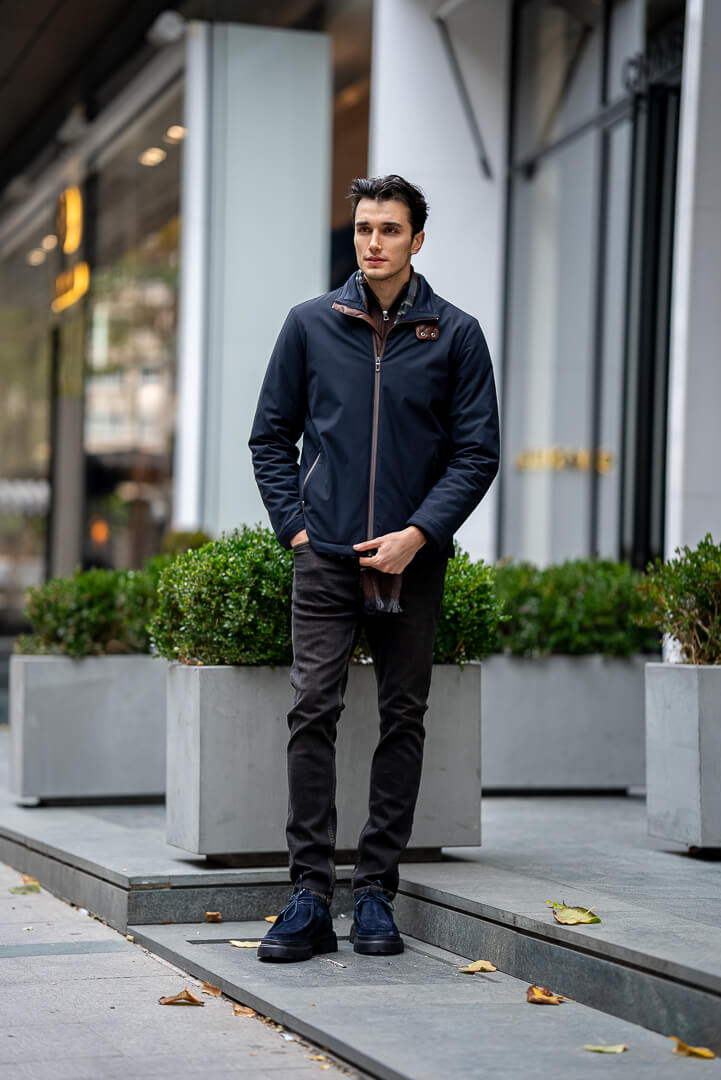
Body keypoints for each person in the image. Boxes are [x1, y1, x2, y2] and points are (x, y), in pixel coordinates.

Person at [249, 174, 499, 962]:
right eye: (363, 228)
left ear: (416, 239)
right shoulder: (309, 324)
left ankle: (375, 893)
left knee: (403, 716)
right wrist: (298, 530)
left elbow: (476, 452)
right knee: (310, 711)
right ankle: (307, 894)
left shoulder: (455, 335)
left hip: (410, 563)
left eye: (389, 229)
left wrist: (417, 534)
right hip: (324, 558)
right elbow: (270, 437)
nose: (373, 242)